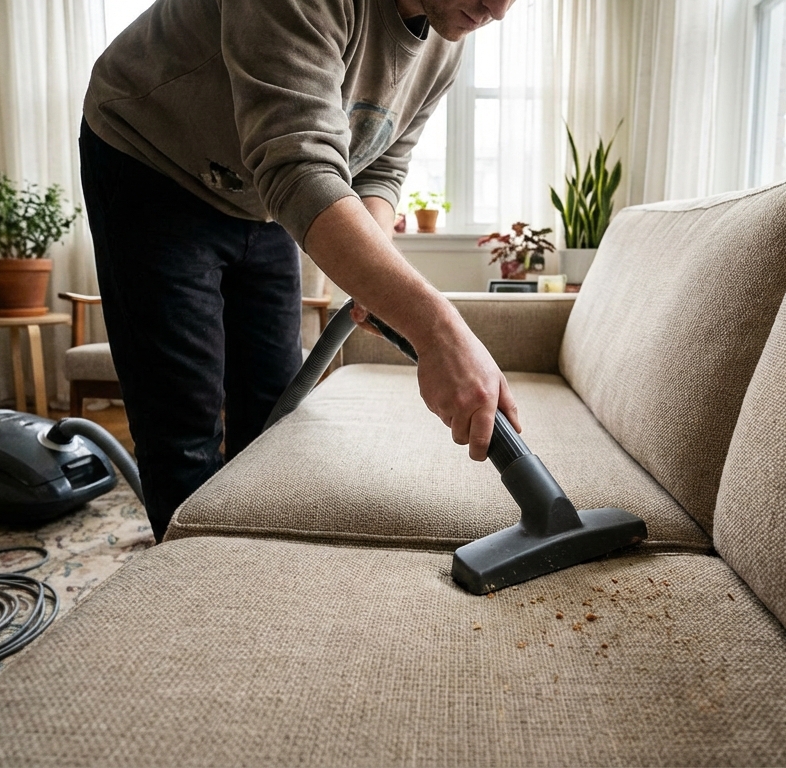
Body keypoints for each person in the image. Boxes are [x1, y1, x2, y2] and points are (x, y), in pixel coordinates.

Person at [80, 0, 521, 541]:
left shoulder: (445, 41)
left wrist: (375, 279)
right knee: (183, 427)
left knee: (273, 415)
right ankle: (199, 593)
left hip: (263, 189)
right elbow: (298, 165)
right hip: (152, 162)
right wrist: (437, 329)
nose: (498, 8)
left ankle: (251, 564)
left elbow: (380, 164)